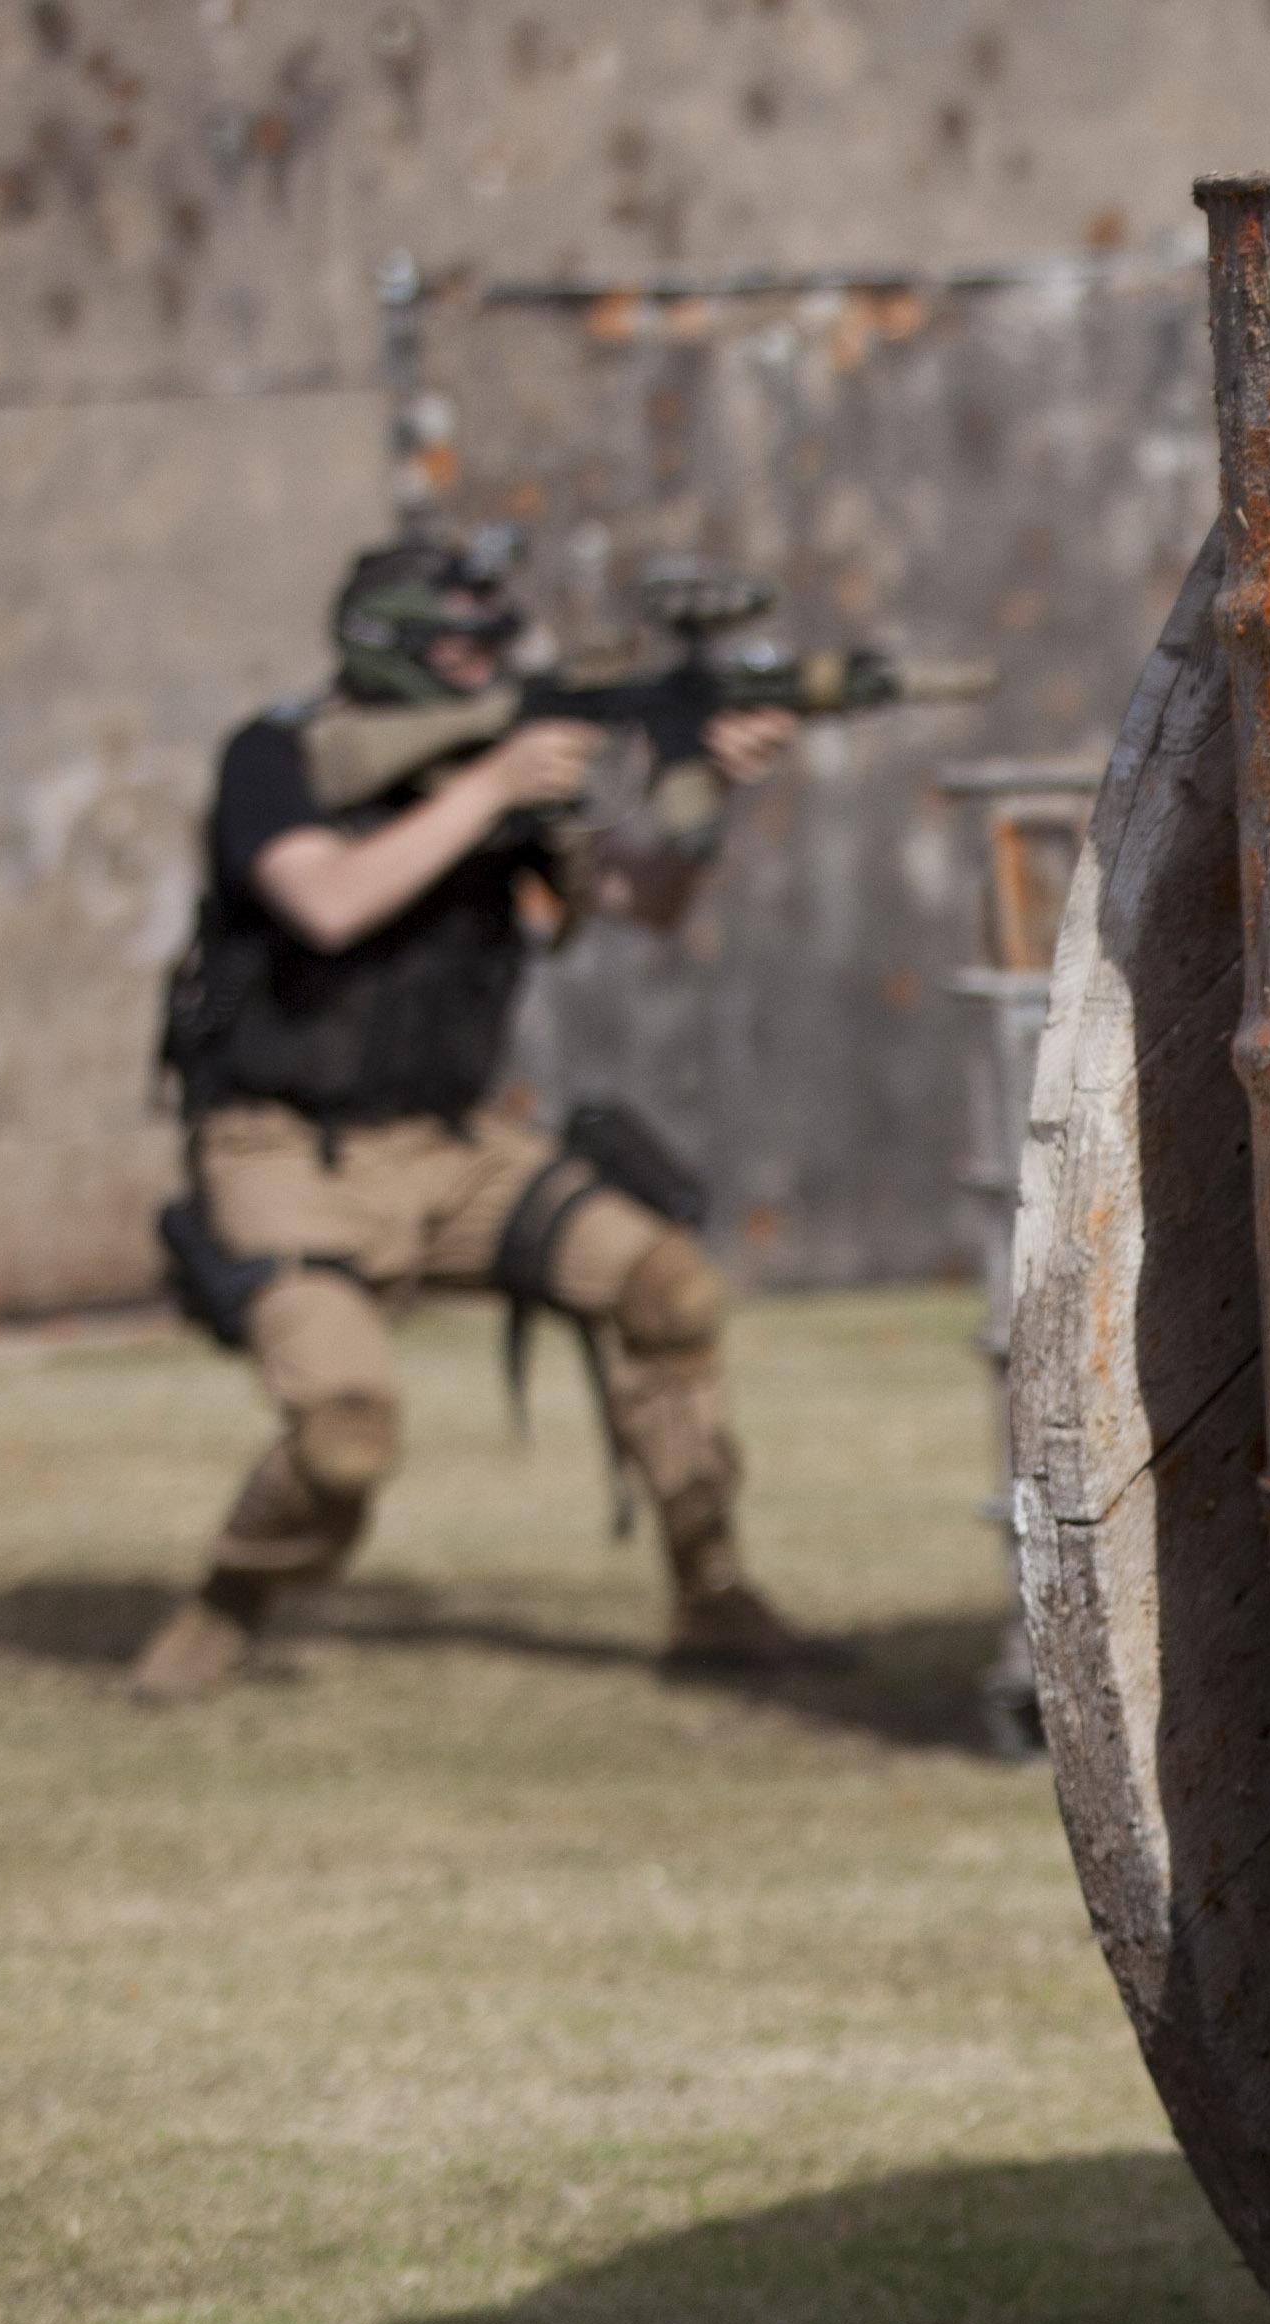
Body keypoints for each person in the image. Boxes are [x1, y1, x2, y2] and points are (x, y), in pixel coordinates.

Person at [126, 536, 819, 1704]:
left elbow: (638, 900)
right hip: (285, 1152)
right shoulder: (279, 754)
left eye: (494, 643)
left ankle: (713, 1596)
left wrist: (701, 786)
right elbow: (328, 902)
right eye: (455, 643)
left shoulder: (501, 769)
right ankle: (231, 1600)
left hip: (450, 1147)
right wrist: (491, 786)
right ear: (382, 643)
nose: (480, 664)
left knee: (669, 1289)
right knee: (345, 1437)